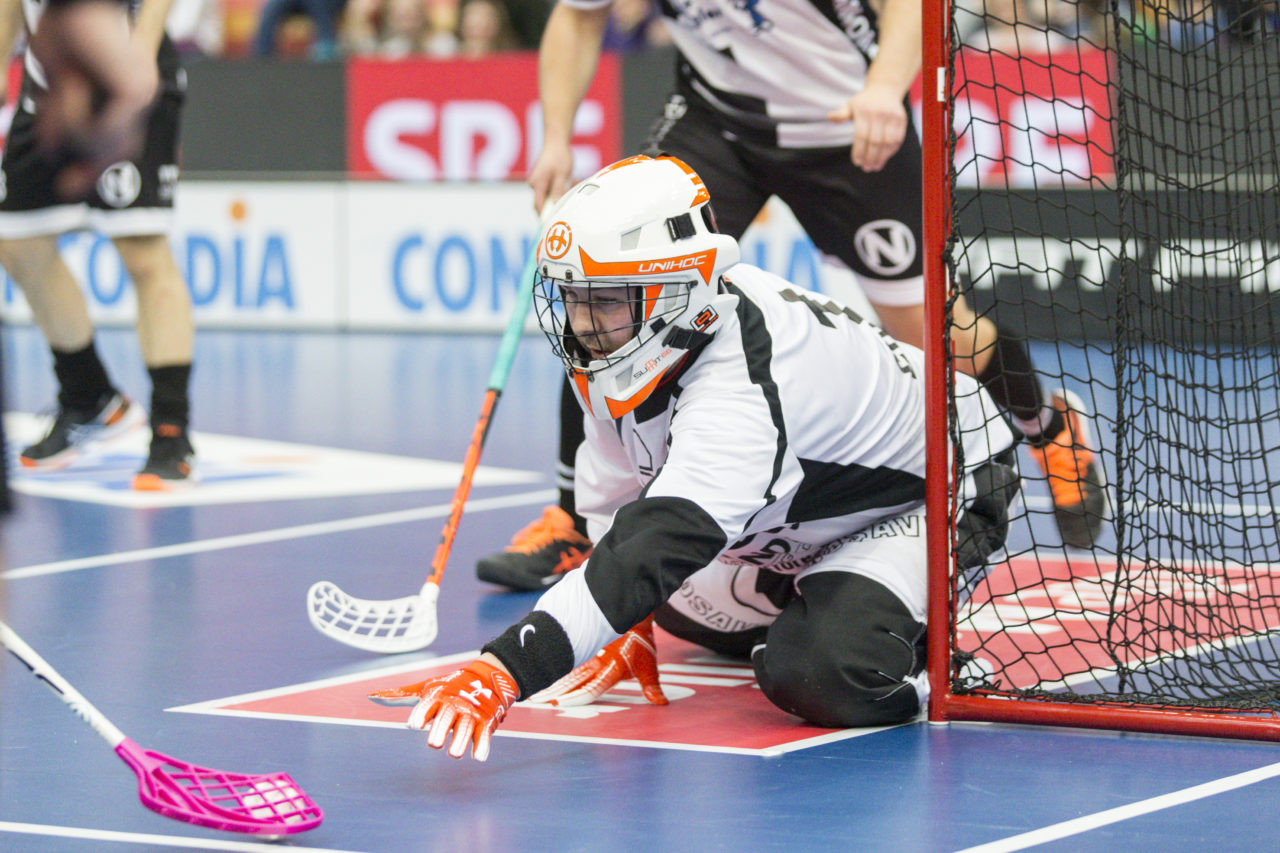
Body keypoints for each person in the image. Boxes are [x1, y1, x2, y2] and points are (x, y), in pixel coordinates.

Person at [370, 155, 1021, 760]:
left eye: (604, 299)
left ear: (675, 289)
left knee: (819, 673)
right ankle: (821, 593)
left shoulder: (745, 385)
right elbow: (615, 513)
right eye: (573, 297)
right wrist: (627, 627)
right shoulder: (634, 342)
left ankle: (941, 673)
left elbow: (654, 546)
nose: (584, 326)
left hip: (943, 481)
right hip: (804, 512)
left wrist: (504, 669)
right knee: (660, 600)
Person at [474, 0, 1105, 593]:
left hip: (846, 122)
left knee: (939, 335)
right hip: (717, 121)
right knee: (617, 295)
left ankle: (1046, 425)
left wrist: (886, 86)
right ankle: (574, 523)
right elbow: (578, 18)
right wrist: (556, 136)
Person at [0, 0, 198, 491]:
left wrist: (141, 54)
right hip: (47, 85)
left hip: (123, 69)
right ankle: (90, 395)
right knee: (16, 240)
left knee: (143, 252)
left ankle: (171, 434)